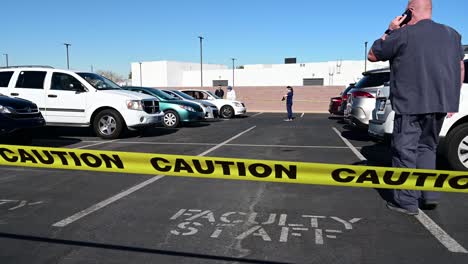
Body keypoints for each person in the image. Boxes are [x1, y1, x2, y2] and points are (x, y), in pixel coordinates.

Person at [368, 0, 465, 215]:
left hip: (410, 104)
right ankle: (429, 195)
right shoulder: (453, 34)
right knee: (427, 149)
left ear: (409, 11)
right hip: (440, 103)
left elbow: (373, 55)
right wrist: (452, 98)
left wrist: (390, 30)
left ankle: (406, 202)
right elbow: (459, 67)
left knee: (405, 152)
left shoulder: (403, 34)